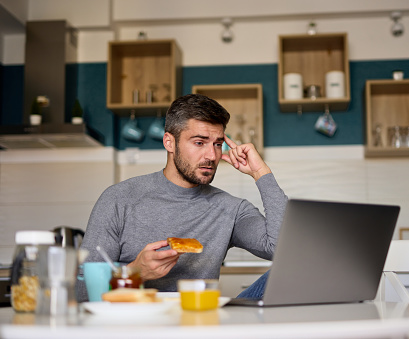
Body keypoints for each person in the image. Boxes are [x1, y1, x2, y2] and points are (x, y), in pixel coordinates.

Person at [76, 94, 288, 302]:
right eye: (199, 143)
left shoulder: (231, 209)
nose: (212, 156)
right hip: (136, 327)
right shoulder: (119, 199)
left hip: (198, 321)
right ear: (169, 142)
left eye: (217, 144)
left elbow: (283, 249)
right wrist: (134, 271)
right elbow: (82, 291)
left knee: (286, 273)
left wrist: (261, 173)